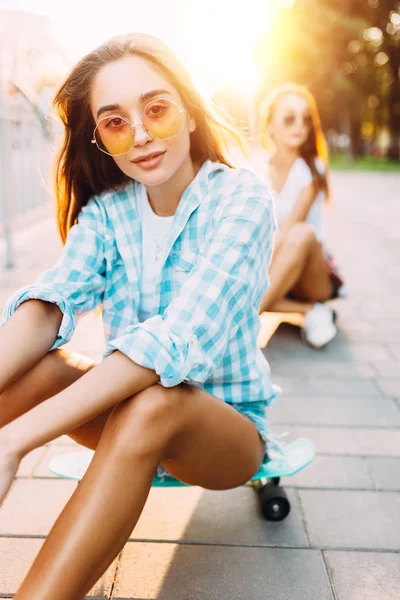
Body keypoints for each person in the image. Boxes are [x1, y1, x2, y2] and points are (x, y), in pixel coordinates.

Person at [0, 33, 278, 599]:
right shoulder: (109, 213)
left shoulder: (242, 199)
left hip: (225, 435)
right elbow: (54, 299)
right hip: (124, 416)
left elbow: (173, 343)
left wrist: (14, 443)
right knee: (32, 370)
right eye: (117, 122)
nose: (143, 134)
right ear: (100, 138)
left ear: (190, 112)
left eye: (156, 109)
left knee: (156, 399)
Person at [257, 83, 344, 349]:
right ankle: (308, 310)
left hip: (312, 275)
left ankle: (235, 322)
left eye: (305, 120)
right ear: (270, 125)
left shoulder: (312, 168)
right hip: (278, 269)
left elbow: (289, 229)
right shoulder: (257, 168)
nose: (299, 126)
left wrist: (255, 277)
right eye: (289, 118)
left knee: (301, 232)